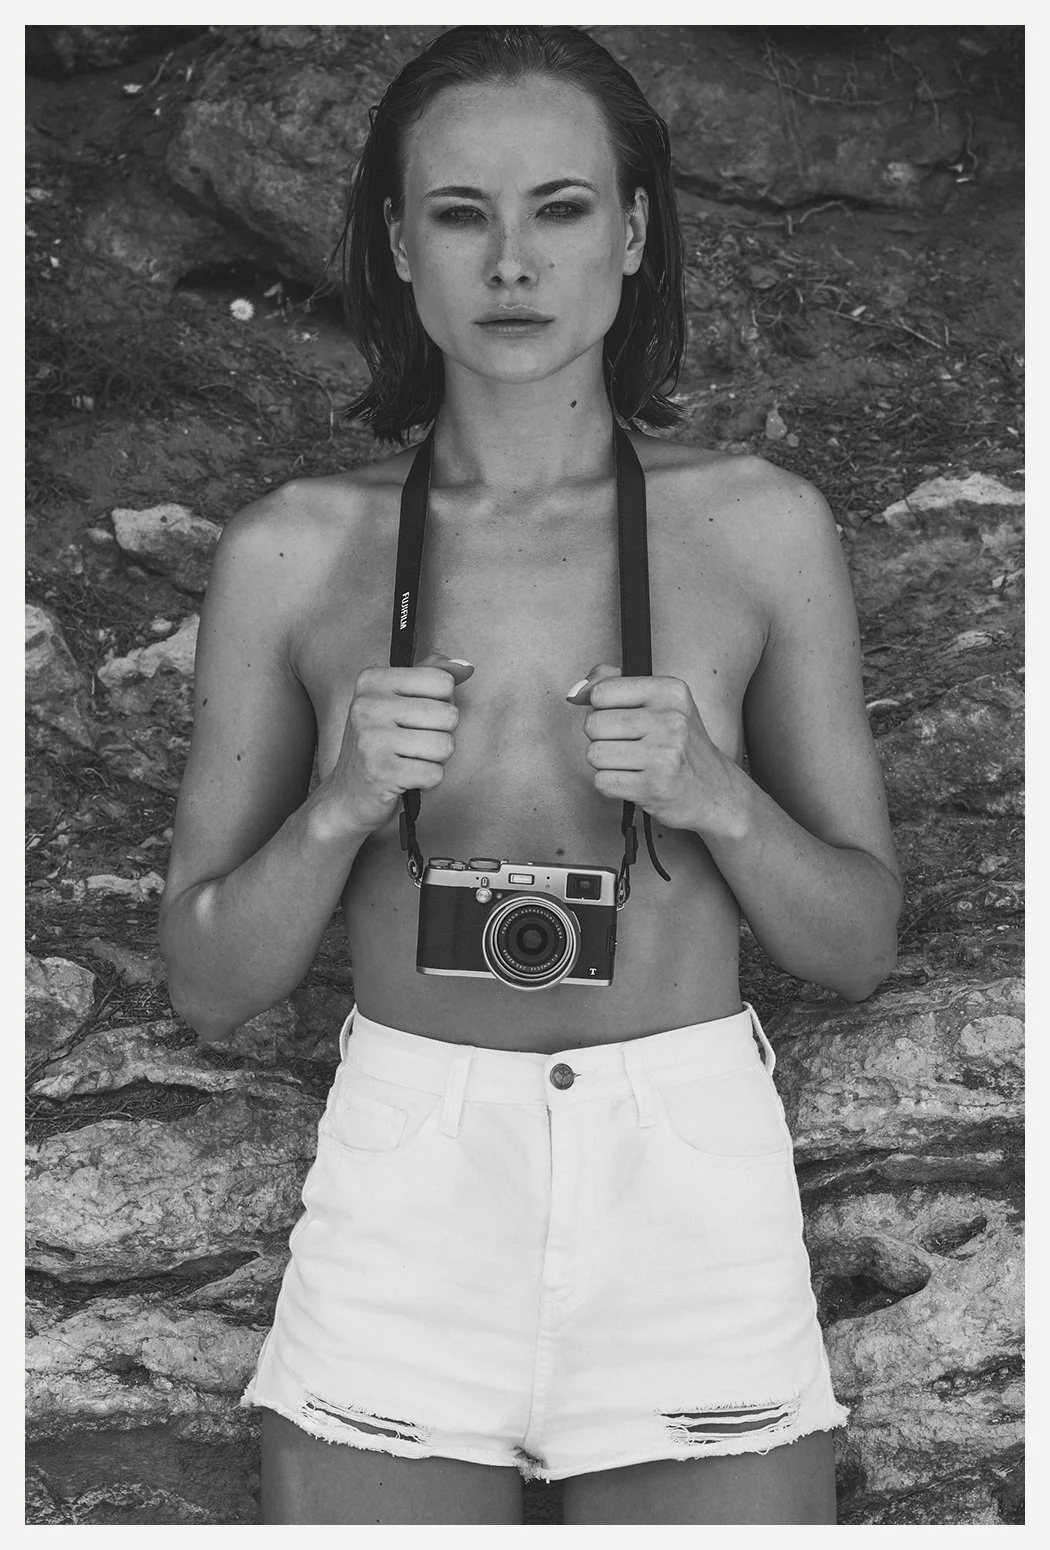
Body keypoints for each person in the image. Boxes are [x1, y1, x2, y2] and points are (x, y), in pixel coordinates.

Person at [159, 25, 901, 1526]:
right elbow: (208, 980)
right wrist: (340, 807)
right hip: (410, 1183)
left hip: (683, 1182)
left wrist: (717, 796)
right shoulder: (294, 551)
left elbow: (858, 944)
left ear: (630, 231)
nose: (512, 261)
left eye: (560, 207)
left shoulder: (755, 527)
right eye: (459, 212)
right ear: (395, 242)